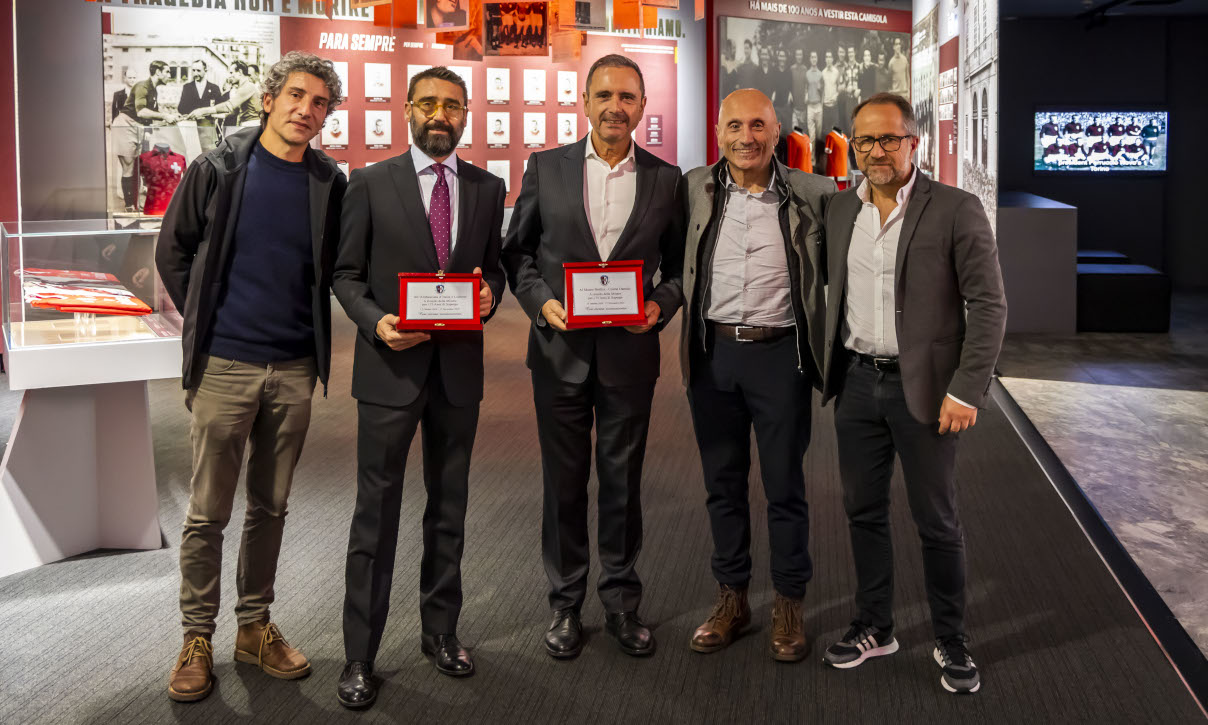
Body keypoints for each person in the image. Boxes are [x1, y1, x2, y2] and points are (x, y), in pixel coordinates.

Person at [155, 50, 347, 704]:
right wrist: (208, 325)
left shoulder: (329, 181)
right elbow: (172, 251)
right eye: (296, 95)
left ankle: (253, 625)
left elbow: (336, 267)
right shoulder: (218, 168)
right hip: (225, 367)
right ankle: (197, 635)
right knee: (207, 510)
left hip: (294, 369)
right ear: (269, 98)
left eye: (319, 103)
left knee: (271, 504)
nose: (306, 110)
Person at [819, 93, 1006, 695]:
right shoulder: (840, 210)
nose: (875, 151)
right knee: (862, 511)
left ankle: (951, 637)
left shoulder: (955, 208)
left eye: (888, 139)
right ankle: (876, 625)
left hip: (925, 391)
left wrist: (967, 390)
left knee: (937, 520)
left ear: (914, 142)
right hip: (855, 383)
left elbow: (989, 305)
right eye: (864, 140)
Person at [501, 54, 684, 661]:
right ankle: (565, 603)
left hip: (631, 354)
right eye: (604, 95)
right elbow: (517, 254)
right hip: (559, 351)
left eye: (627, 97)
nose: (615, 107)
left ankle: (622, 602)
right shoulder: (546, 169)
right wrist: (540, 304)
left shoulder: (666, 178)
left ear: (642, 106)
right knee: (564, 483)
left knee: (623, 483)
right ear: (583, 102)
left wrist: (659, 306)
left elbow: (681, 268)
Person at [334, 66, 506, 710]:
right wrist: (376, 322)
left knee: (449, 509)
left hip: (458, 373)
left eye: (453, 105)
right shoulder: (370, 184)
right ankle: (360, 654)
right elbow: (346, 276)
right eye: (429, 103)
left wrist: (490, 294)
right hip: (389, 372)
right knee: (374, 516)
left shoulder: (488, 189)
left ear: (466, 114)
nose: (441, 114)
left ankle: (442, 632)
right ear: (407, 109)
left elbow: (493, 271)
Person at [680, 89, 834, 662]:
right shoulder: (694, 188)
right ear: (719, 131)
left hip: (781, 357)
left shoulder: (816, 193)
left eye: (759, 126)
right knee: (722, 485)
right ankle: (732, 598)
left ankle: (789, 602)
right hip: (713, 354)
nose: (747, 137)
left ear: (777, 131)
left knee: (784, 487)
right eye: (735, 126)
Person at [113, 60, 178, 211]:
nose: (170, 75)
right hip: (125, 125)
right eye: (167, 72)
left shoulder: (154, 89)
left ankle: (134, 204)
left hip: (137, 127)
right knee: (129, 167)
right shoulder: (143, 86)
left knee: (137, 167)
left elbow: (147, 117)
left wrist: (168, 117)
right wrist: (164, 116)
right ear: (158, 72)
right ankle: (129, 206)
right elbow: (141, 111)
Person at [187, 61, 261, 128]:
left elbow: (228, 106)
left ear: (240, 72)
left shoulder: (248, 87)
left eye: (231, 73)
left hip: (252, 126)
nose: (230, 76)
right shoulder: (243, 87)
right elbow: (233, 112)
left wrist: (203, 111)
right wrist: (210, 115)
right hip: (248, 126)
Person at [177, 59, 224, 151]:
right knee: (192, 153)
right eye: (193, 70)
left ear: (205, 71)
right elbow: (181, 108)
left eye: (198, 71)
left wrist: (205, 113)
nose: (195, 73)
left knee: (208, 154)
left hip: (208, 129)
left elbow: (220, 107)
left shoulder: (214, 88)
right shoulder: (187, 87)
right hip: (191, 128)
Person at [820, 50, 841, 150]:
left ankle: (836, 150)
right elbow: (822, 90)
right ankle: (827, 152)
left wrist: (835, 96)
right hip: (826, 105)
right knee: (826, 131)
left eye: (830, 57)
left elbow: (839, 87)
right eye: (826, 57)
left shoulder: (836, 72)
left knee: (835, 130)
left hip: (834, 106)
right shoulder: (822, 73)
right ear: (825, 59)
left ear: (832, 59)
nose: (828, 59)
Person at [805, 51, 825, 144]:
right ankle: (812, 159)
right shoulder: (807, 73)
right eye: (812, 57)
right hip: (810, 107)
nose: (814, 59)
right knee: (812, 136)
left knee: (819, 135)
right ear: (809, 59)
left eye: (815, 57)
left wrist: (821, 105)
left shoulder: (821, 74)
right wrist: (805, 95)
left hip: (818, 106)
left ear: (817, 59)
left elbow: (823, 90)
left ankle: (818, 157)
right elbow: (805, 87)